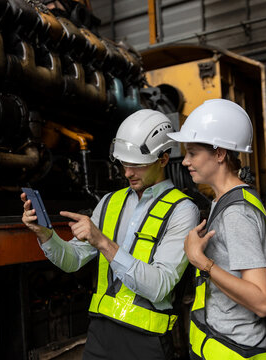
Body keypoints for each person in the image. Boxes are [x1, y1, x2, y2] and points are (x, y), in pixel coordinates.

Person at [21, 109, 199, 359]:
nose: (127, 173)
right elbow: (72, 261)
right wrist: (45, 235)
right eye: (125, 163)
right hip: (100, 335)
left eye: (136, 165)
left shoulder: (183, 211)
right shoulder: (108, 202)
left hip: (146, 341)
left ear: (163, 159)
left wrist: (103, 242)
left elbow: (160, 286)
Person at [167, 99, 266, 359]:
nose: (185, 162)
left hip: (234, 350)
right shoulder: (224, 200)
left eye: (193, 153)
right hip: (221, 345)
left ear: (219, 154)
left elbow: (262, 302)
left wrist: (201, 261)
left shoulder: (237, 213)